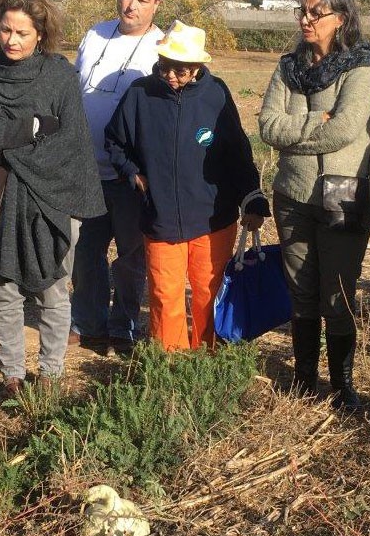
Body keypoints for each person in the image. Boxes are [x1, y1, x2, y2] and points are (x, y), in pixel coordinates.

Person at [0, 0, 104, 397]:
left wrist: (8, 147)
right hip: (1, 197)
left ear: (40, 33)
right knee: (3, 288)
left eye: (22, 33)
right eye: (5, 30)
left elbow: (71, 141)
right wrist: (35, 127)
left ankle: (50, 373)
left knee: (53, 289)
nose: (11, 40)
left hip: (53, 196)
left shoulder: (58, 74)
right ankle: (12, 373)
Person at [258, 0, 370, 411]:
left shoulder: (363, 67)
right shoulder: (288, 66)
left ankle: (343, 385)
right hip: (292, 194)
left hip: (343, 190)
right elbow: (268, 126)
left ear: (341, 17)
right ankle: (305, 378)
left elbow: (344, 129)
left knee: (338, 293)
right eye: (303, 10)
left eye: (316, 12)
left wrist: (297, 130)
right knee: (302, 290)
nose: (306, 19)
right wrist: (318, 120)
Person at [105, 20, 268, 351]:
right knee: (165, 295)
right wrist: (133, 175)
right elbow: (115, 141)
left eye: (180, 70)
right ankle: (170, 367)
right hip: (161, 216)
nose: (170, 75)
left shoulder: (216, 94)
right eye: (165, 65)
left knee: (209, 292)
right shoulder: (140, 93)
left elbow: (238, 153)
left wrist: (253, 199)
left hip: (213, 220)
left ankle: (207, 361)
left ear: (197, 67)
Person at [70, 0, 166, 356]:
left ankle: (123, 325)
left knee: (130, 256)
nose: (132, 5)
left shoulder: (163, 48)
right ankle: (88, 323)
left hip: (130, 175)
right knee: (85, 251)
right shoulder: (95, 34)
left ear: (157, 3)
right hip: (85, 170)